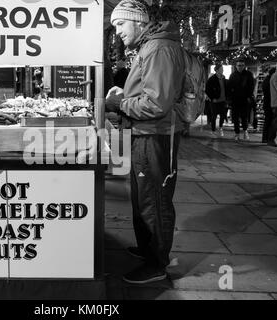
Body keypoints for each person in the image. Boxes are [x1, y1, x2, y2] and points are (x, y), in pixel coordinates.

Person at [105, 0, 185, 284]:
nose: (118, 33)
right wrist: (124, 92)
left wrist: (120, 103)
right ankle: (147, 248)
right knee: (143, 197)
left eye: (121, 25)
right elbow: (148, 89)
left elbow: (156, 103)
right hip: (144, 134)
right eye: (115, 27)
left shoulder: (158, 48)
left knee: (155, 200)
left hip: (154, 135)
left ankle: (156, 263)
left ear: (138, 21)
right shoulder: (148, 47)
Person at [228, 58, 255, 141]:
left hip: (245, 99)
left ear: (244, 66)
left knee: (244, 116)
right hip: (235, 99)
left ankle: (245, 131)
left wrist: (248, 97)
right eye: (239, 65)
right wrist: (230, 98)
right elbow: (229, 87)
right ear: (236, 66)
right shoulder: (233, 75)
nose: (240, 67)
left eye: (242, 65)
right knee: (235, 117)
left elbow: (251, 86)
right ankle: (237, 133)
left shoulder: (248, 74)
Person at [205, 64, 228, 137]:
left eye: (222, 69)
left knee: (223, 115)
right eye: (221, 69)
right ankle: (213, 130)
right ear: (217, 70)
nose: (222, 70)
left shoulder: (224, 78)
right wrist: (212, 98)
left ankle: (221, 127)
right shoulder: (212, 79)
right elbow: (207, 90)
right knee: (214, 116)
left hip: (223, 100)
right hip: (215, 101)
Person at [261, 67, 276, 143]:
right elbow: (269, 94)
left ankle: (265, 138)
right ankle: (266, 138)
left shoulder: (267, 80)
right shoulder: (269, 81)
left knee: (268, 121)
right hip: (269, 104)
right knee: (268, 121)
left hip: (268, 103)